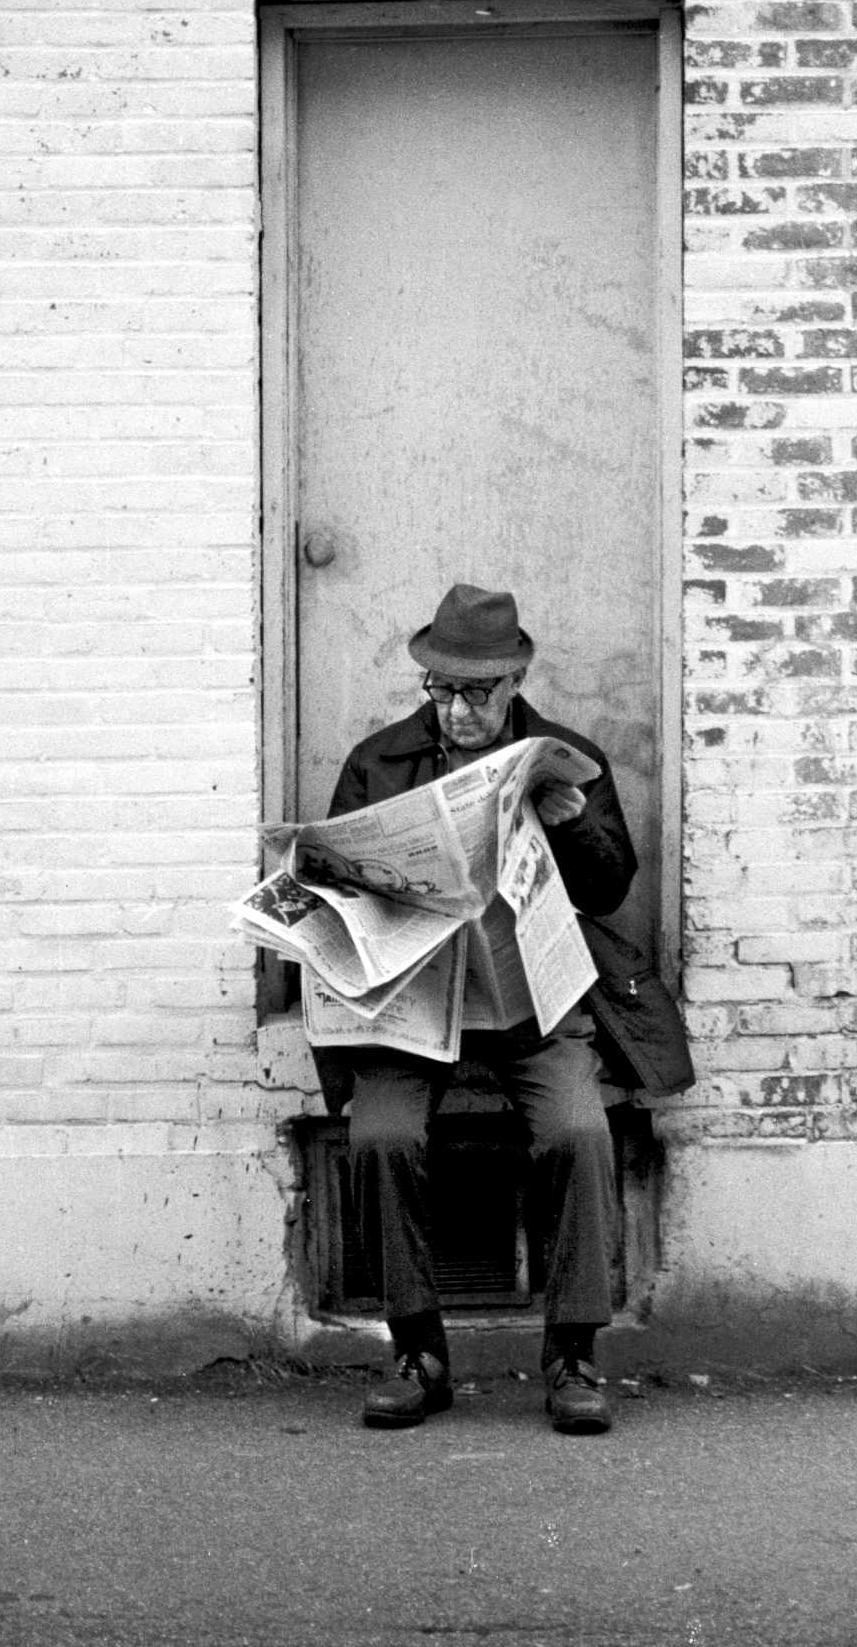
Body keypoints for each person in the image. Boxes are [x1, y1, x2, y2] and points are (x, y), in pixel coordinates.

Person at [322, 583, 638, 1435]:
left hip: (531, 999)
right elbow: (337, 887)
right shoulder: (377, 761)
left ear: (512, 682)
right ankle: (417, 1350)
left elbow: (610, 889)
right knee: (379, 1137)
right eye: (442, 690)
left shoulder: (564, 756)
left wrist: (569, 827)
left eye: (476, 693)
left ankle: (574, 1354)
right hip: (418, 1002)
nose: (457, 710)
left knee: (578, 1132)